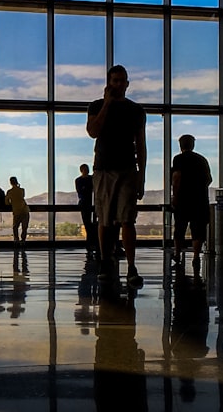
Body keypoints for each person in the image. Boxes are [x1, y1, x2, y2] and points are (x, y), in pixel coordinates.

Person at [86, 65, 147, 287]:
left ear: (127, 83)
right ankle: (105, 261)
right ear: (109, 83)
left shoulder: (136, 111)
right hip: (103, 169)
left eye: (122, 81)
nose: (119, 84)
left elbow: (141, 144)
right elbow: (93, 131)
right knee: (104, 218)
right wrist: (107, 105)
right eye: (115, 81)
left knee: (127, 219)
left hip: (127, 169)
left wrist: (141, 175)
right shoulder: (96, 106)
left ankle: (131, 266)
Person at [170, 134, 212, 267]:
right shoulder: (201, 160)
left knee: (180, 228)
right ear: (193, 145)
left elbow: (176, 178)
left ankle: (177, 254)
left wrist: (175, 196)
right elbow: (209, 179)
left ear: (180, 145)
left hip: (183, 199)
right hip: (200, 200)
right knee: (198, 230)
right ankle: (195, 257)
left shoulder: (178, 159)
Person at [76, 164, 98, 259]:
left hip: (87, 203)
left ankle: (90, 245)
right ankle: (92, 244)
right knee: (89, 225)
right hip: (88, 204)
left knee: (89, 225)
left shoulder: (80, 180)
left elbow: (81, 192)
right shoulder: (89, 179)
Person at [5, 176, 30, 245]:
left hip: (16, 211)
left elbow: (6, 202)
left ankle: (16, 240)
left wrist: (12, 203)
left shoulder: (10, 192)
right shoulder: (22, 190)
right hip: (25, 210)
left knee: (15, 227)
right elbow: (22, 196)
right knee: (24, 227)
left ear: (10, 183)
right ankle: (23, 241)